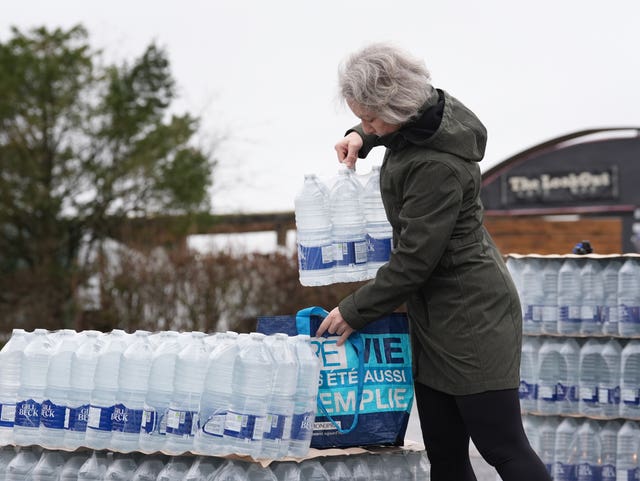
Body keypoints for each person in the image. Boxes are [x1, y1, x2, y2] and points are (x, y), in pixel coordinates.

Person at [316, 43, 551, 481]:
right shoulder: (424, 118)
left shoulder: (436, 165)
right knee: (444, 455)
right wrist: (361, 137)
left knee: (502, 447)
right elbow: (389, 128)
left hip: (473, 317)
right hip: (433, 314)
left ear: (396, 105)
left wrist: (355, 310)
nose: (365, 126)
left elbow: (414, 262)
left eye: (369, 119)